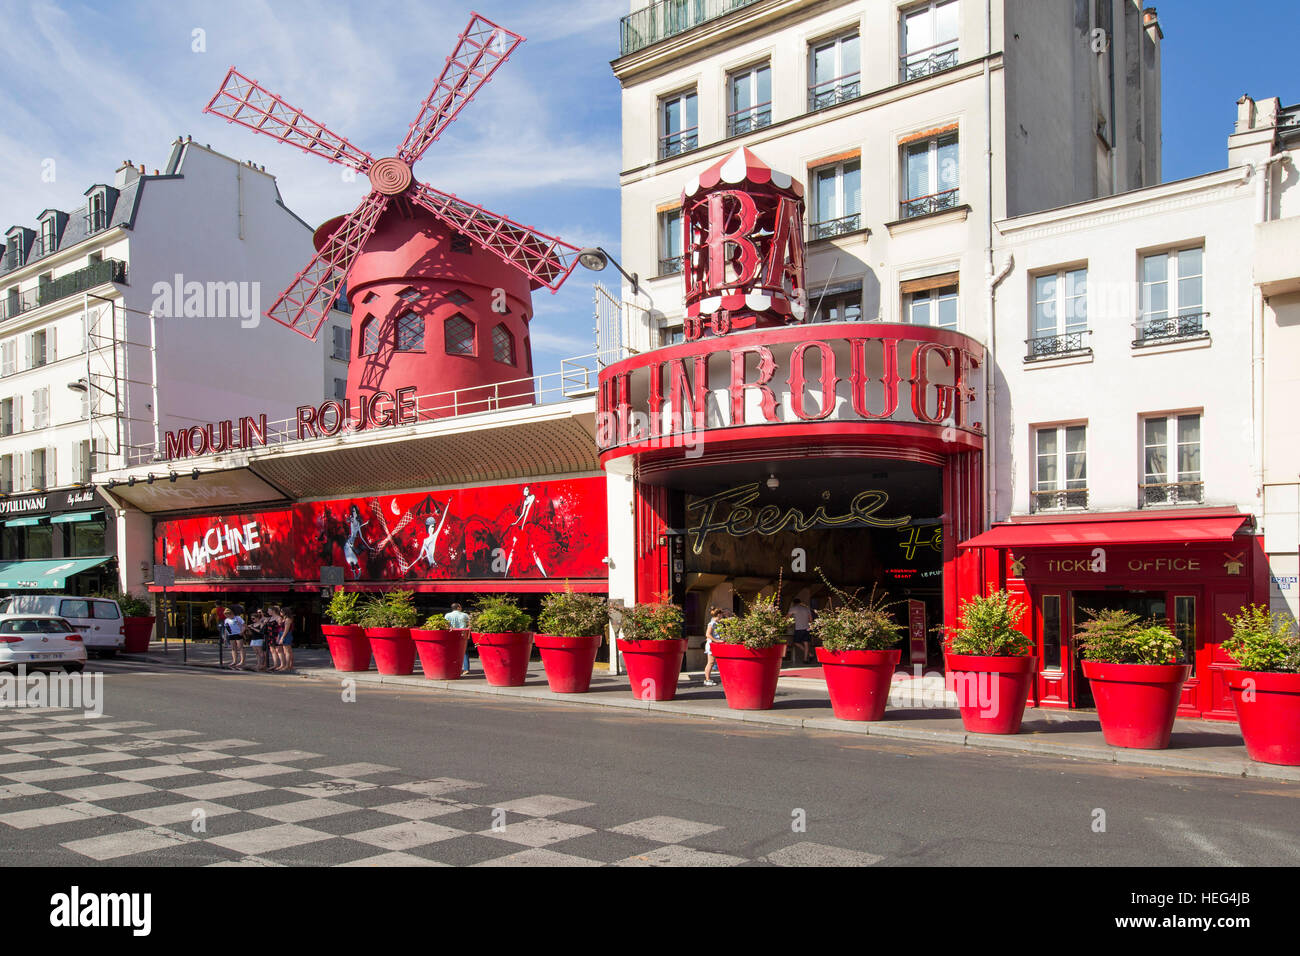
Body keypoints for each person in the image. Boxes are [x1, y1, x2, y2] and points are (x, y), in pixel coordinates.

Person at [445, 602, 471, 675]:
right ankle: (466, 669)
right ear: (458, 607)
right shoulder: (465, 615)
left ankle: (452, 667)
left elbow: (445, 625)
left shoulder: (447, 615)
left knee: (451, 652)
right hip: (462, 635)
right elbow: (469, 625)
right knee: (464, 652)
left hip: (451, 635)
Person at [703, 607, 723, 686]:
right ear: (718, 615)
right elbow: (708, 634)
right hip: (712, 645)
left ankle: (708, 679)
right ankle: (707, 679)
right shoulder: (712, 623)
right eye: (721, 615)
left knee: (714, 662)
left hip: (715, 645)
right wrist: (717, 640)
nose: (722, 617)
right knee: (710, 662)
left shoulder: (717, 623)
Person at [790, 598, 813, 665]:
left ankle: (809, 655)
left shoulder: (793, 608)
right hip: (807, 628)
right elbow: (811, 619)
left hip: (798, 629)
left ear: (794, 603)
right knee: (806, 644)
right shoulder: (806, 609)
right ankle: (806, 658)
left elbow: (787, 618)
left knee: (796, 642)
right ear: (800, 602)